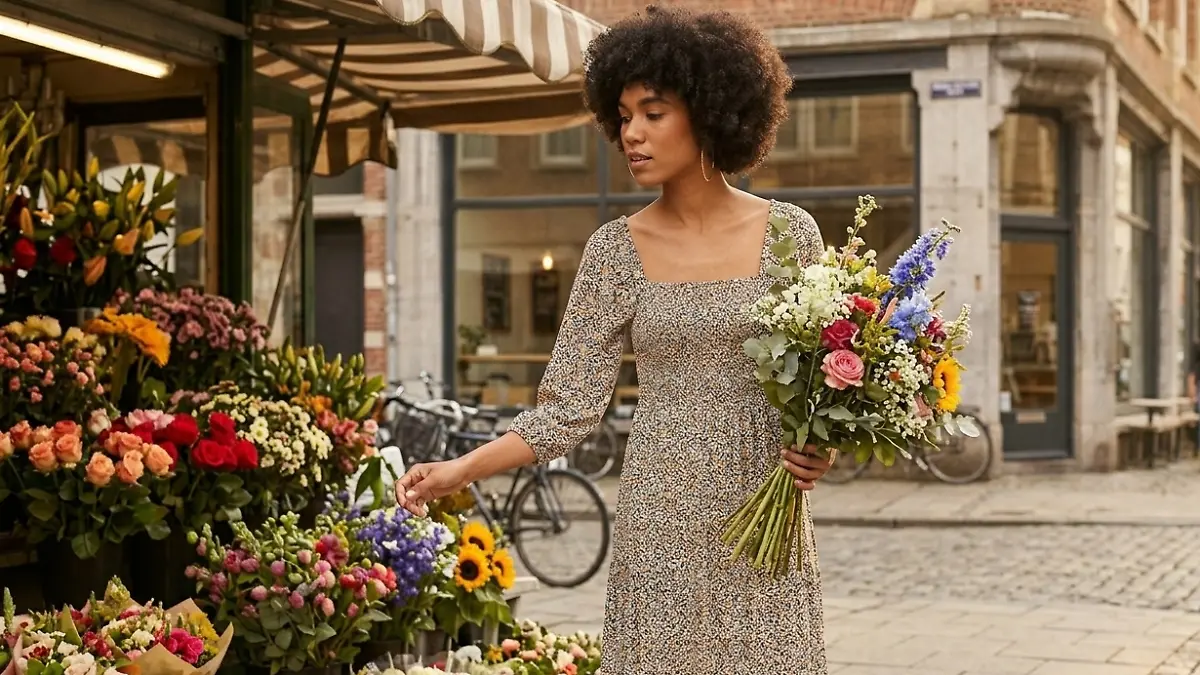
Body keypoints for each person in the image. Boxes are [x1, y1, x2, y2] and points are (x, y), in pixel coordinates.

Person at [395, 6, 834, 672]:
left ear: (711, 109)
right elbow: (568, 409)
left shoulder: (791, 234)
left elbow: (822, 384)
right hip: (658, 515)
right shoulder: (614, 252)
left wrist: (818, 447)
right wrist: (459, 469)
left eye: (653, 113)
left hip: (762, 514)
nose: (632, 133)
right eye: (623, 116)